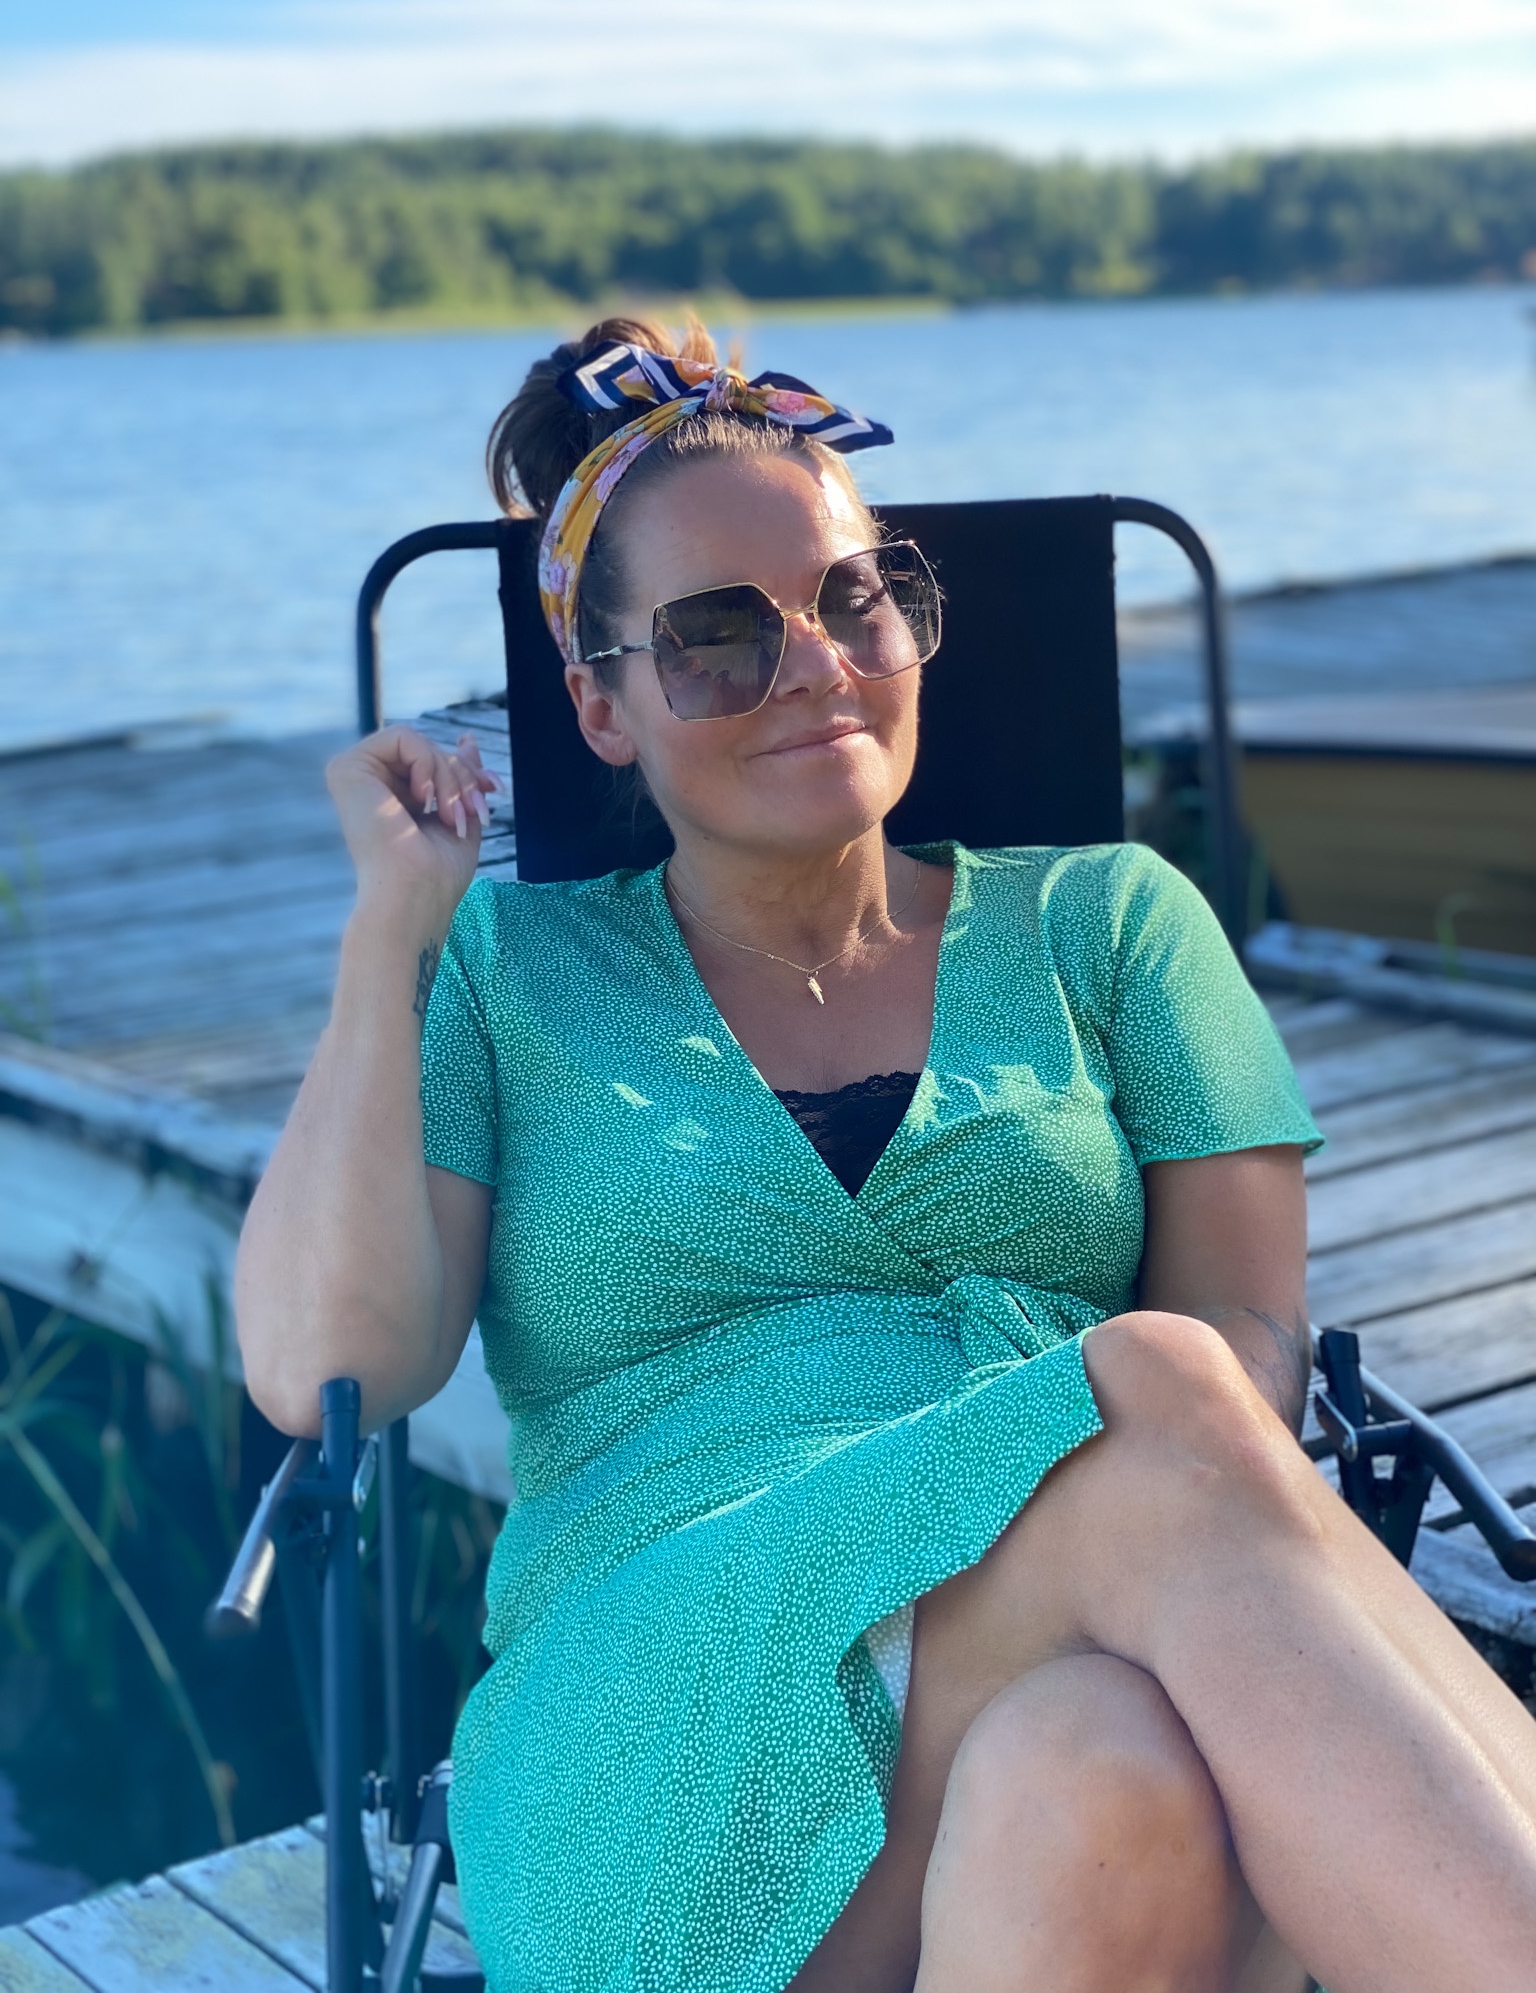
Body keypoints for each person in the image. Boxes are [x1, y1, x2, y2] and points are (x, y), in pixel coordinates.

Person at [235, 315, 1536, 1993]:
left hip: (1067, 1615)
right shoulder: (506, 973)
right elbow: (325, 1370)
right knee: (1152, 1385)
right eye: (715, 637)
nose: (814, 666)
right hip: (654, 1701)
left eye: (859, 598)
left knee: (1097, 1766)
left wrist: (1044, 1493)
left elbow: (1255, 1347)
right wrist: (387, 938)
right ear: (601, 707)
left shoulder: (1111, 923)